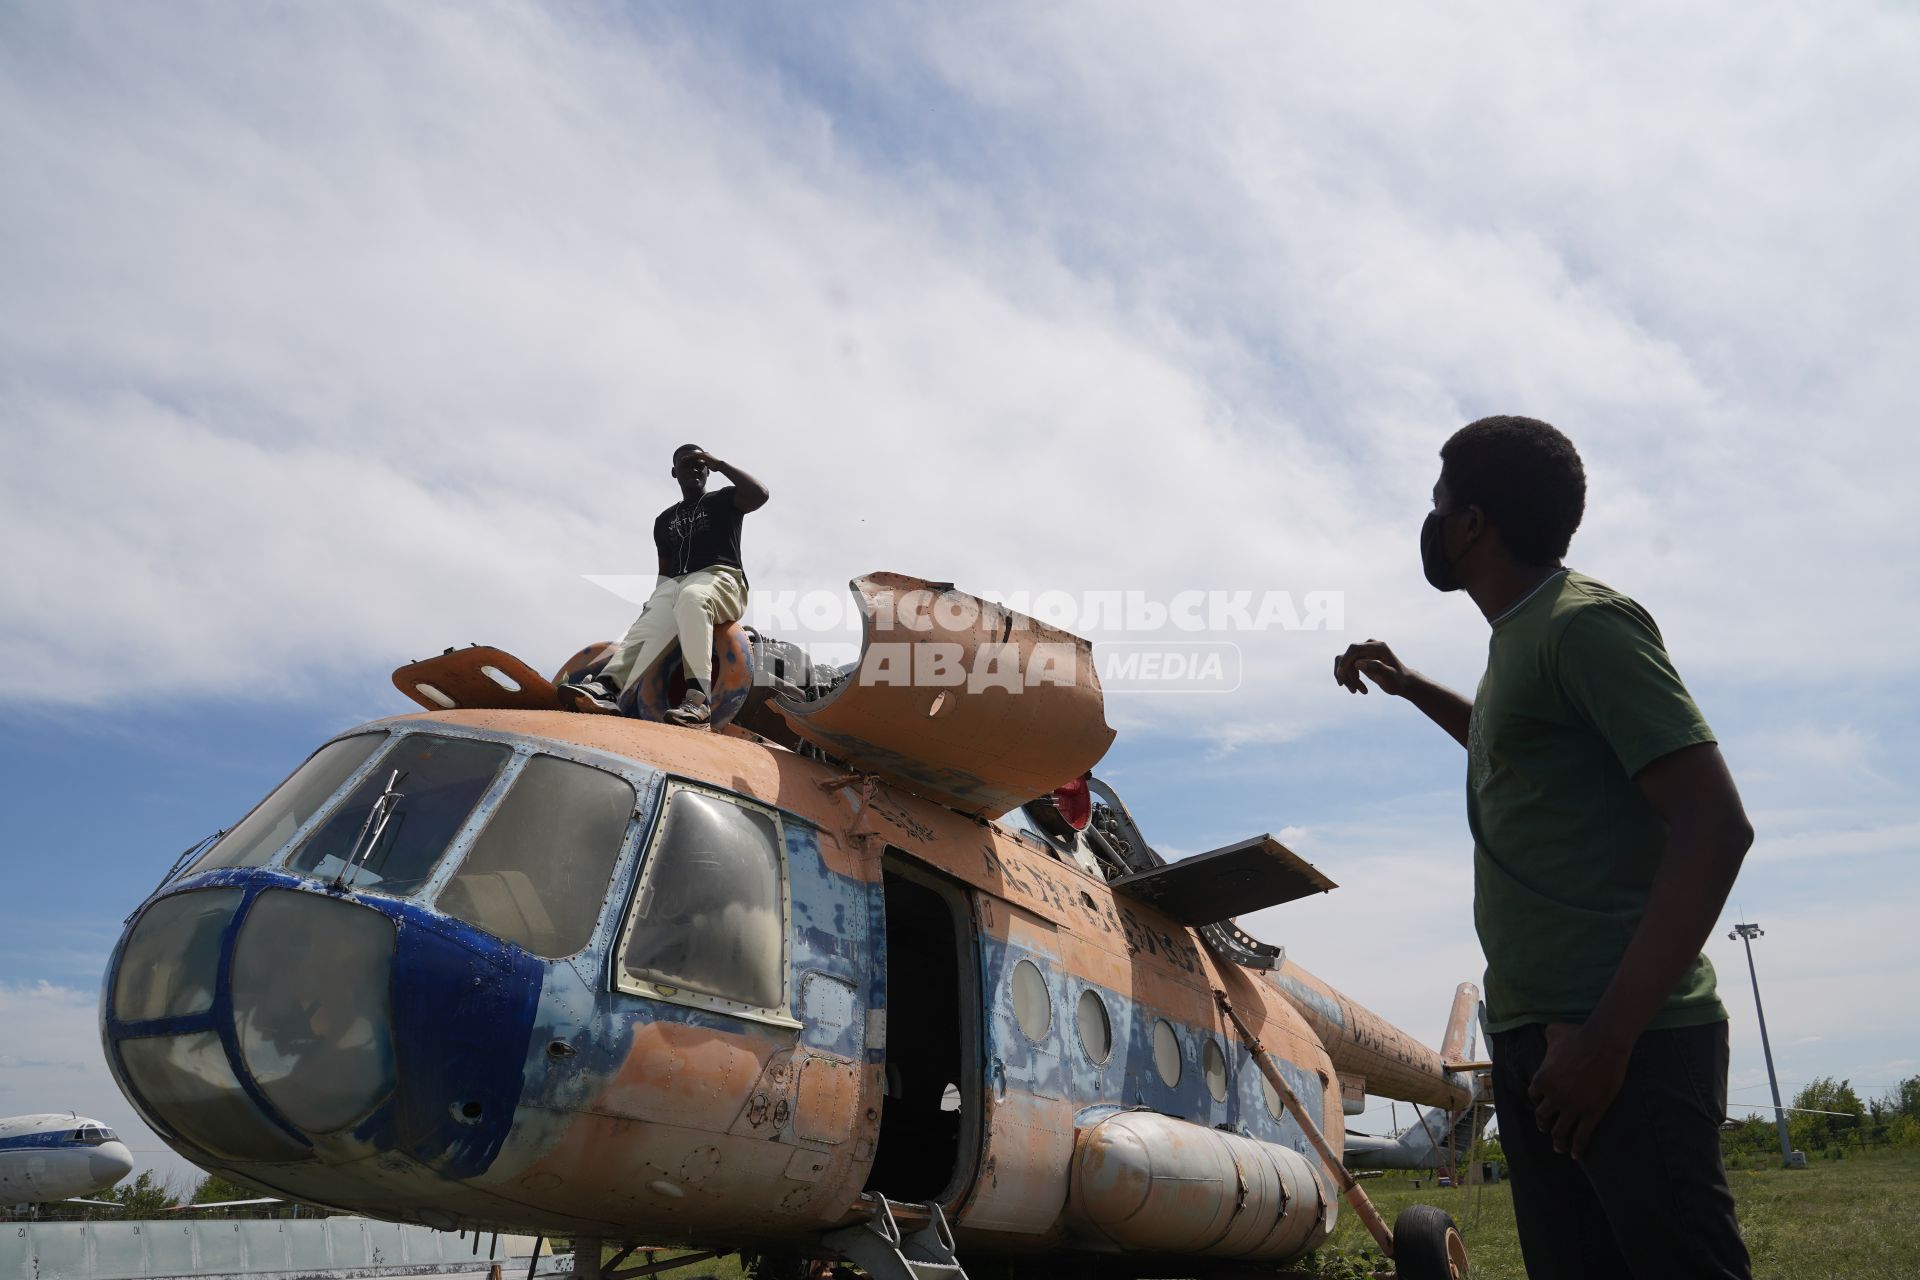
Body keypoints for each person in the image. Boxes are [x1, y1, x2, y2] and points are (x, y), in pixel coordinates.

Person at [1333, 416, 1754, 1280]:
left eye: (1440, 502)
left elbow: (1715, 824)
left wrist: (1607, 1040)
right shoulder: (1518, 639)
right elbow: (1509, 743)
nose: (1433, 521)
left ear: (1475, 523)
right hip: (1537, 1039)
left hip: (1618, 1043)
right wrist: (1411, 686)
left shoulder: (1583, 625)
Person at [567, 444, 769, 725]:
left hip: (722, 579)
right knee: (651, 618)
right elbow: (664, 572)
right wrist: (653, 603)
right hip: (674, 584)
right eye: (688, 463)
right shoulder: (664, 521)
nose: (695, 468)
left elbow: (760, 494)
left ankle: (698, 703)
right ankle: (607, 688)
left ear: (708, 471)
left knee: (692, 596)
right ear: (675, 473)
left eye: (701, 463)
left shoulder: (724, 500)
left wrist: (719, 463)